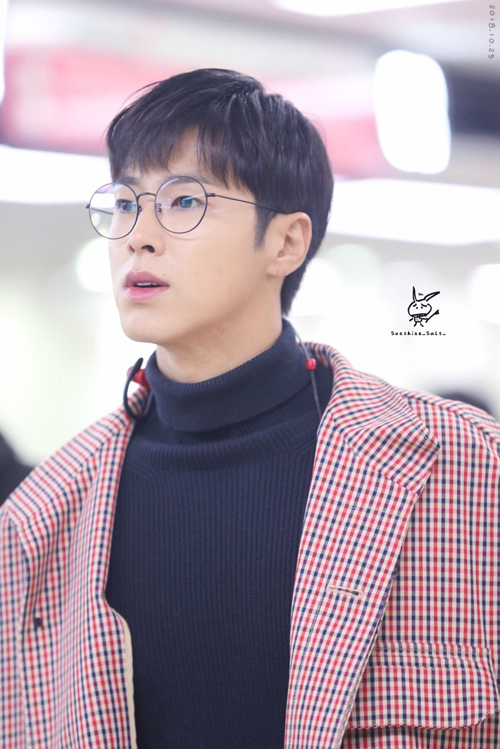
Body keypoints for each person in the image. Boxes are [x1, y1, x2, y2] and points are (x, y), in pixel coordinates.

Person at [1, 68, 499, 749]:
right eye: (125, 203)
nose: (138, 235)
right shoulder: (41, 519)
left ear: (286, 242)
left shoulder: (465, 470)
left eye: (183, 201)